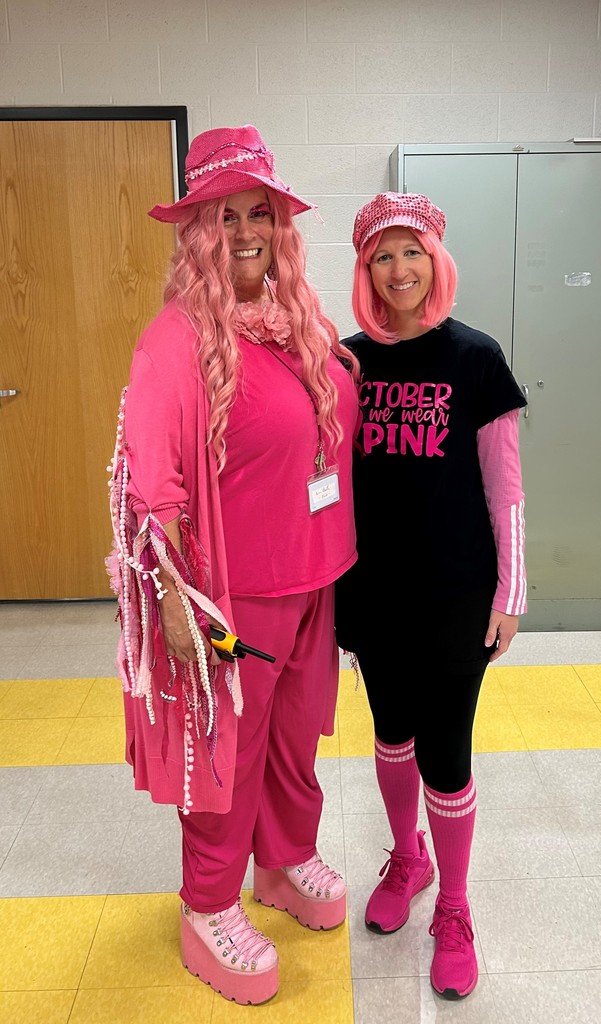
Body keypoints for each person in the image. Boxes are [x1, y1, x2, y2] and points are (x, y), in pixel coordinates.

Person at [106, 125, 360, 1006]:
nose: (246, 231)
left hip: (315, 575)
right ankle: (208, 905)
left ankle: (284, 862)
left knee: (293, 741)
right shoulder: (174, 340)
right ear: (199, 232)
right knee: (225, 757)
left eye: (260, 213)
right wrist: (173, 598)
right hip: (233, 597)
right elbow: (150, 483)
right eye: (226, 217)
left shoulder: (300, 327)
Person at [335, 192, 527, 1000]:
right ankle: (405, 858)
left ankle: (453, 906)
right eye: (382, 255)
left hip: (455, 592)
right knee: (390, 734)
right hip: (372, 589)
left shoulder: (474, 358)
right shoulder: (344, 361)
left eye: (411, 251)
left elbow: (504, 484)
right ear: (364, 271)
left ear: (435, 259)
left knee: (446, 756)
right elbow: (325, 477)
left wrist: (510, 590)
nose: (398, 268)